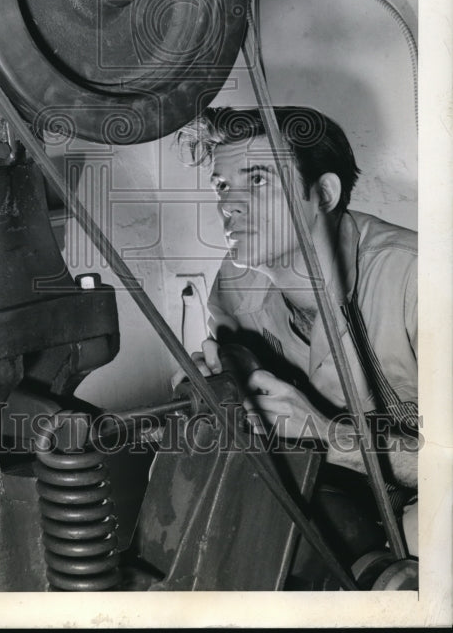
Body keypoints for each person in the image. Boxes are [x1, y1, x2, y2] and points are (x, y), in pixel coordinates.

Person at [176, 105, 418, 564]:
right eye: (222, 186)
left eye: (258, 180)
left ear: (323, 194)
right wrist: (213, 390)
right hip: (337, 496)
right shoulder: (233, 284)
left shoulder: (417, 280)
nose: (230, 204)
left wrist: (324, 433)